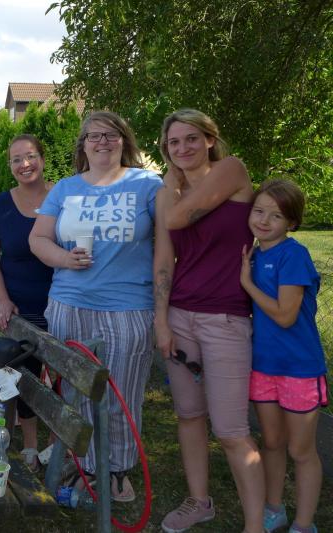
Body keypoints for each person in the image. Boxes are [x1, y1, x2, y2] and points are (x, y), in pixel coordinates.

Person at [29, 111, 162, 502]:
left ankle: (118, 470)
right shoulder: (65, 188)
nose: (102, 141)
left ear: (124, 141)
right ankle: (84, 464)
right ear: (83, 145)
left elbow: (174, 236)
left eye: (111, 134)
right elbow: (38, 239)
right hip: (69, 304)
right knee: (76, 392)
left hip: (128, 308)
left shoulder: (147, 184)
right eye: (94, 136)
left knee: (121, 394)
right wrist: (64, 258)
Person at [153, 108, 264, 533]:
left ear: (210, 140)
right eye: (173, 142)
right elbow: (164, 259)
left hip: (226, 318)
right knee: (188, 415)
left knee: (232, 430)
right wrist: (162, 320)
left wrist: (170, 184)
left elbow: (178, 219)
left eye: (191, 139)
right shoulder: (166, 193)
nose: (182, 148)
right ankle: (199, 502)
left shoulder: (231, 170)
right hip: (181, 315)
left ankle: (255, 525)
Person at [240, 180, 327, 533]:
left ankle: (304, 524)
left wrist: (247, 284)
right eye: (258, 211)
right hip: (264, 366)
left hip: (299, 369)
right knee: (272, 443)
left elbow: (285, 315)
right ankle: (273, 509)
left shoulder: (293, 255)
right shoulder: (254, 255)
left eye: (276, 216)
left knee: (301, 451)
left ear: (291, 222)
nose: (264, 220)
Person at [0, 133, 53, 470]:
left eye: (31, 156)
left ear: (42, 158)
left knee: (64, 381)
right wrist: (3, 300)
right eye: (16, 159)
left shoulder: (63, 197)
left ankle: (57, 447)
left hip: (63, 307)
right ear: (10, 165)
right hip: (20, 311)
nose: (25, 164)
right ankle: (31, 446)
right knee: (24, 378)